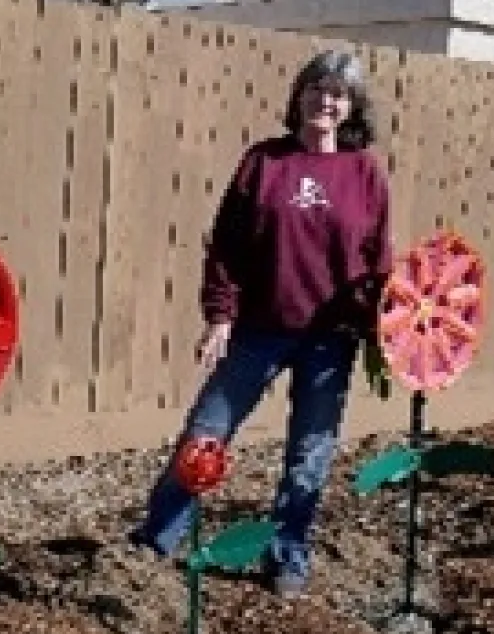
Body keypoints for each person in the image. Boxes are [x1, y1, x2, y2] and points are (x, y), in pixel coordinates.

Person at [125, 49, 394, 598]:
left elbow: (379, 260)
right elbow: (227, 246)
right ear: (299, 96)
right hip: (258, 330)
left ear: (352, 107)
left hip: (331, 340)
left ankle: (287, 554)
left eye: (338, 94)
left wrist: (380, 329)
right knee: (204, 434)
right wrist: (220, 316)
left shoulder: (365, 172)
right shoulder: (265, 161)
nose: (325, 101)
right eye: (317, 89)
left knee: (309, 455)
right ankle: (156, 540)